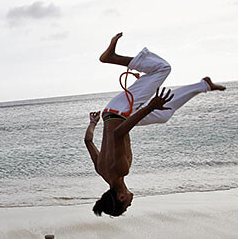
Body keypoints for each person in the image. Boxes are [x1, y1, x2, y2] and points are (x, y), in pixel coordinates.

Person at [85, 32, 226, 217]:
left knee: (162, 68)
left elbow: (117, 134)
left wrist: (150, 106)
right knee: (163, 114)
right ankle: (203, 85)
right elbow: (88, 141)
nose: (129, 204)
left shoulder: (120, 169)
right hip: (114, 115)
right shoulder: (103, 173)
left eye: (126, 206)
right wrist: (93, 123)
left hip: (120, 111)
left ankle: (111, 58)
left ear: (121, 197)